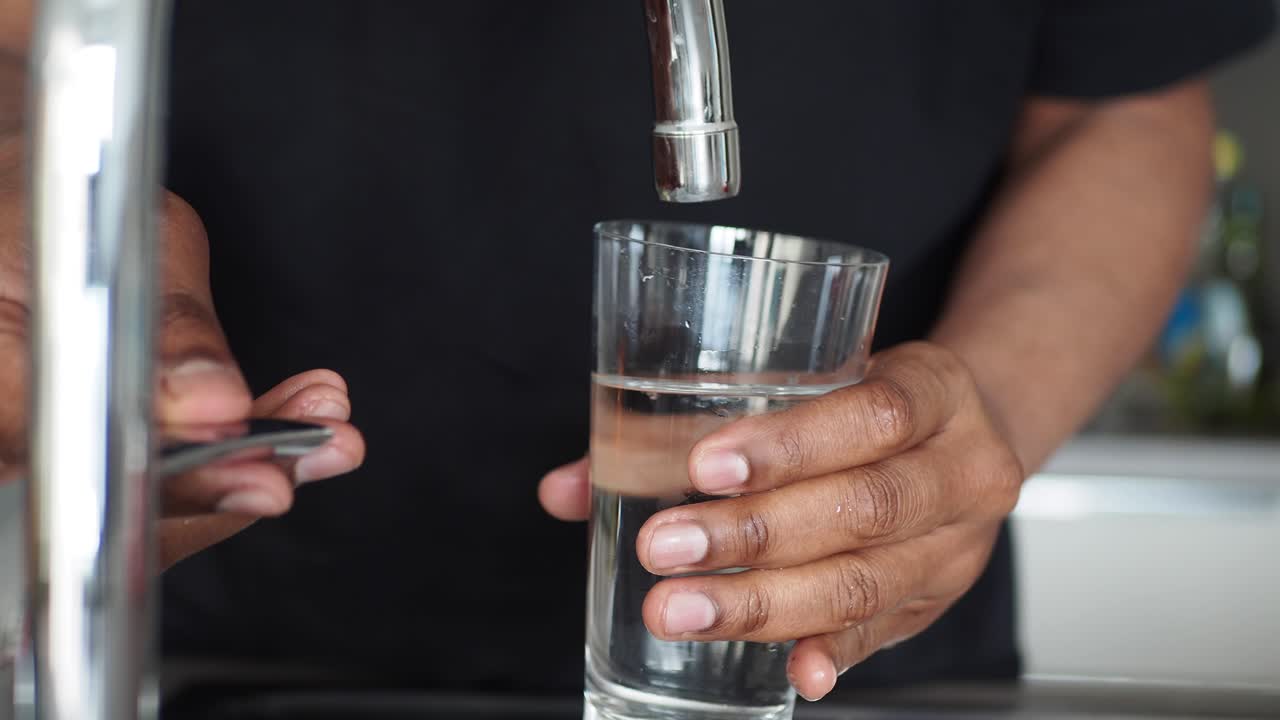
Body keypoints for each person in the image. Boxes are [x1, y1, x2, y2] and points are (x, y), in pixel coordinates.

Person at [0, 0, 1274, 706]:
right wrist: (66, 251)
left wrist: (961, 431)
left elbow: (1118, 103)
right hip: (232, 645)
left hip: (839, 658)